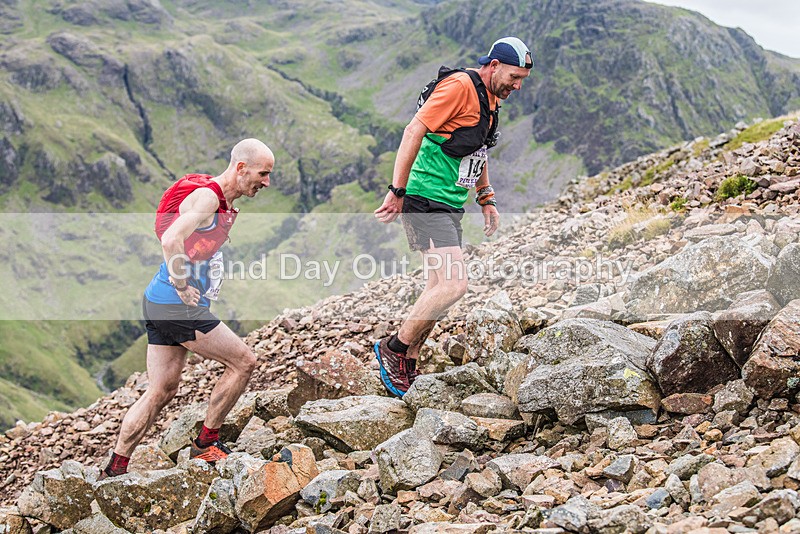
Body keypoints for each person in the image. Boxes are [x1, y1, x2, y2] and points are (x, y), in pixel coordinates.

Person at [100, 138, 274, 478]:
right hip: (175, 305)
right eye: (263, 173)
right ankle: (205, 444)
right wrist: (183, 286)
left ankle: (115, 467)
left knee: (161, 390)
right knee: (244, 362)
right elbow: (171, 239)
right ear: (241, 168)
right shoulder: (209, 197)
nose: (267, 182)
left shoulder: (219, 198)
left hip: (158, 300)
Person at [373, 37, 533, 397]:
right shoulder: (460, 86)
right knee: (453, 285)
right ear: (493, 66)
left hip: (449, 202)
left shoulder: (491, 100)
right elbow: (413, 130)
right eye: (513, 76)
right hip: (424, 196)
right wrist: (397, 191)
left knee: (437, 288)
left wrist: (485, 196)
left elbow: (478, 150)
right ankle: (393, 350)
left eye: (522, 79)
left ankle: (409, 364)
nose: (517, 85)